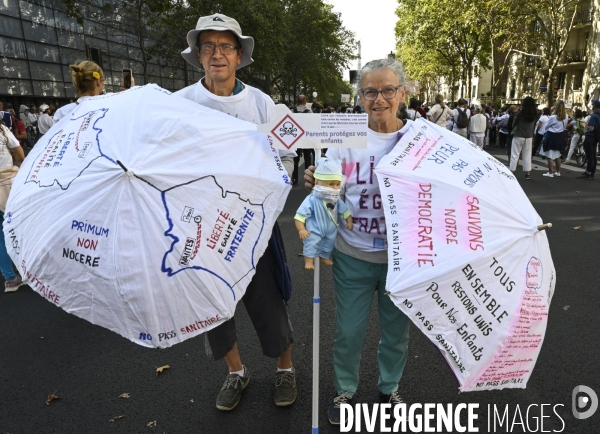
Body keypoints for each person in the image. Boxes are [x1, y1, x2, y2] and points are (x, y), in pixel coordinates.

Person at [175, 13, 297, 411]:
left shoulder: (262, 103)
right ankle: (236, 372)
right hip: (201, 228)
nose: (216, 53)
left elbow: (287, 158)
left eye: (225, 46)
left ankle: (285, 369)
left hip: (253, 223)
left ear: (240, 55)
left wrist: (262, 189)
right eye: (207, 46)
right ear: (197, 54)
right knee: (212, 304)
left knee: (267, 298)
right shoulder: (180, 104)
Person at [304, 58, 412, 426]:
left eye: (387, 90)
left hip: (402, 259)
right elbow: (327, 180)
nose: (378, 99)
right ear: (360, 95)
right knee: (348, 331)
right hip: (352, 252)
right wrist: (317, 180)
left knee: (396, 332)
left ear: (402, 93)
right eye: (369, 91)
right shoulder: (345, 136)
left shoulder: (419, 139)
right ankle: (344, 390)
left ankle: (389, 387)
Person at [295, 157, 353, 270]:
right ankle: (309, 260)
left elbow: (344, 211)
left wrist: (349, 220)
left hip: (331, 228)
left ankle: (324, 256)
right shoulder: (312, 199)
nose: (334, 188)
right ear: (317, 182)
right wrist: (301, 229)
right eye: (330, 184)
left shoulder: (336, 199)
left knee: (329, 243)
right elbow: (300, 215)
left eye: (337, 184)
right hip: (315, 228)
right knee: (311, 242)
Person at [0, 120, 25, 291]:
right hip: (6, 184)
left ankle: (10, 277)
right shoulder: (2, 130)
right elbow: (20, 155)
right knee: (17, 226)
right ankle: (27, 268)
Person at [509, 97, 537, 179]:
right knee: (527, 155)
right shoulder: (535, 114)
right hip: (529, 136)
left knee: (515, 154)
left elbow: (514, 124)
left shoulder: (520, 113)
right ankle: (527, 173)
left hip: (518, 135)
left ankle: (512, 171)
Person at [540, 100, 568, 177]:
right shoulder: (566, 116)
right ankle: (558, 172)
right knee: (557, 155)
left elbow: (547, 126)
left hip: (552, 135)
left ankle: (550, 172)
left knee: (550, 155)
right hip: (560, 136)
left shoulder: (553, 117)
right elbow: (565, 126)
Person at [292, 95, 315, 185]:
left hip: (295, 139)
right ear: (305, 102)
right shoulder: (309, 112)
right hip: (306, 138)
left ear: (297, 102)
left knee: (295, 159)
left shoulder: (292, 112)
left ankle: (294, 178)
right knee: (307, 159)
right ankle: (308, 179)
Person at [578, 99, 600, 179]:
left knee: (590, 156)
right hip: (595, 138)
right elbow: (591, 112)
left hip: (590, 137)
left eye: (593, 104)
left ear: (595, 105)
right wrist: (586, 105)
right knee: (593, 156)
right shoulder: (597, 115)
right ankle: (592, 172)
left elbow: (591, 128)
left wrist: (586, 124)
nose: (592, 106)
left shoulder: (594, 116)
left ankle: (588, 173)